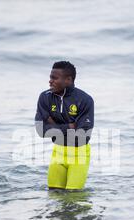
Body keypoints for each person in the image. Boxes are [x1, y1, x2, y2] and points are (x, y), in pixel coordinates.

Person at [35, 61, 94, 190]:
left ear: (68, 80)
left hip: (79, 154)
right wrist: (69, 126)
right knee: (54, 195)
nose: (50, 81)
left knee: (73, 198)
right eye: (50, 77)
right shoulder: (45, 98)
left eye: (54, 78)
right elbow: (41, 130)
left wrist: (52, 123)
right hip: (58, 152)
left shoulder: (85, 100)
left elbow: (81, 135)